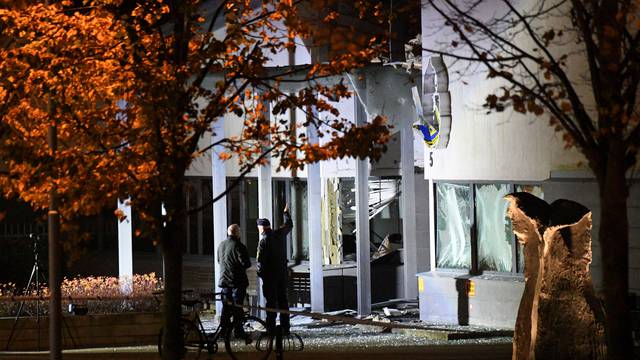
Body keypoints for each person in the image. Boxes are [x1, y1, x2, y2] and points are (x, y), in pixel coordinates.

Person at [256, 204, 293, 335]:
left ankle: (270, 328)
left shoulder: (263, 241)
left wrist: (261, 275)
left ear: (261, 228)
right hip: (282, 275)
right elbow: (289, 225)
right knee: (283, 301)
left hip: (270, 278)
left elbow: (261, 261)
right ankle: (285, 327)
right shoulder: (279, 234)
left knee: (271, 303)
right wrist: (286, 214)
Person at [217, 224, 252, 341]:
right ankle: (238, 331)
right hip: (237, 282)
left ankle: (223, 331)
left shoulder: (221, 245)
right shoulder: (239, 246)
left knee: (226, 307)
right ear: (237, 233)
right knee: (238, 307)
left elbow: (218, 260)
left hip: (224, 281)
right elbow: (246, 263)